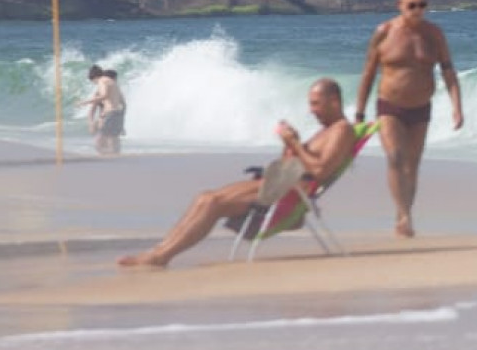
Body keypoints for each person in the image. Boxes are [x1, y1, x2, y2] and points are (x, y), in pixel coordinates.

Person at [118, 79, 358, 269]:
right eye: (311, 103)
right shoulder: (326, 131)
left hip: (290, 192)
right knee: (205, 197)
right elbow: (299, 161)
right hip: (282, 183)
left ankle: (162, 256)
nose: (311, 110)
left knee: (213, 202)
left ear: (334, 102)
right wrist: (289, 143)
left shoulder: (342, 130)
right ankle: (158, 252)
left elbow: (320, 170)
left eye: (316, 103)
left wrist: (294, 142)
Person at [354, 0, 463, 238]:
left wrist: (457, 107)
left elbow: (448, 70)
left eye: (422, 5)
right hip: (389, 106)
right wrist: (359, 112)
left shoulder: (434, 35)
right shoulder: (384, 32)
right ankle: (404, 215)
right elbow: (369, 73)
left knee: (412, 166)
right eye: (412, 5)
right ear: (400, 6)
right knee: (395, 158)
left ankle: (403, 214)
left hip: (421, 108)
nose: (417, 10)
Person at [80, 64, 126, 156]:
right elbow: (123, 104)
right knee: (112, 140)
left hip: (109, 115)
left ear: (94, 77)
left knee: (102, 141)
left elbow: (104, 95)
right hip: (114, 114)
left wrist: (85, 102)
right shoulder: (113, 84)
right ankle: (114, 157)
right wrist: (92, 123)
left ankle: (111, 157)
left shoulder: (102, 81)